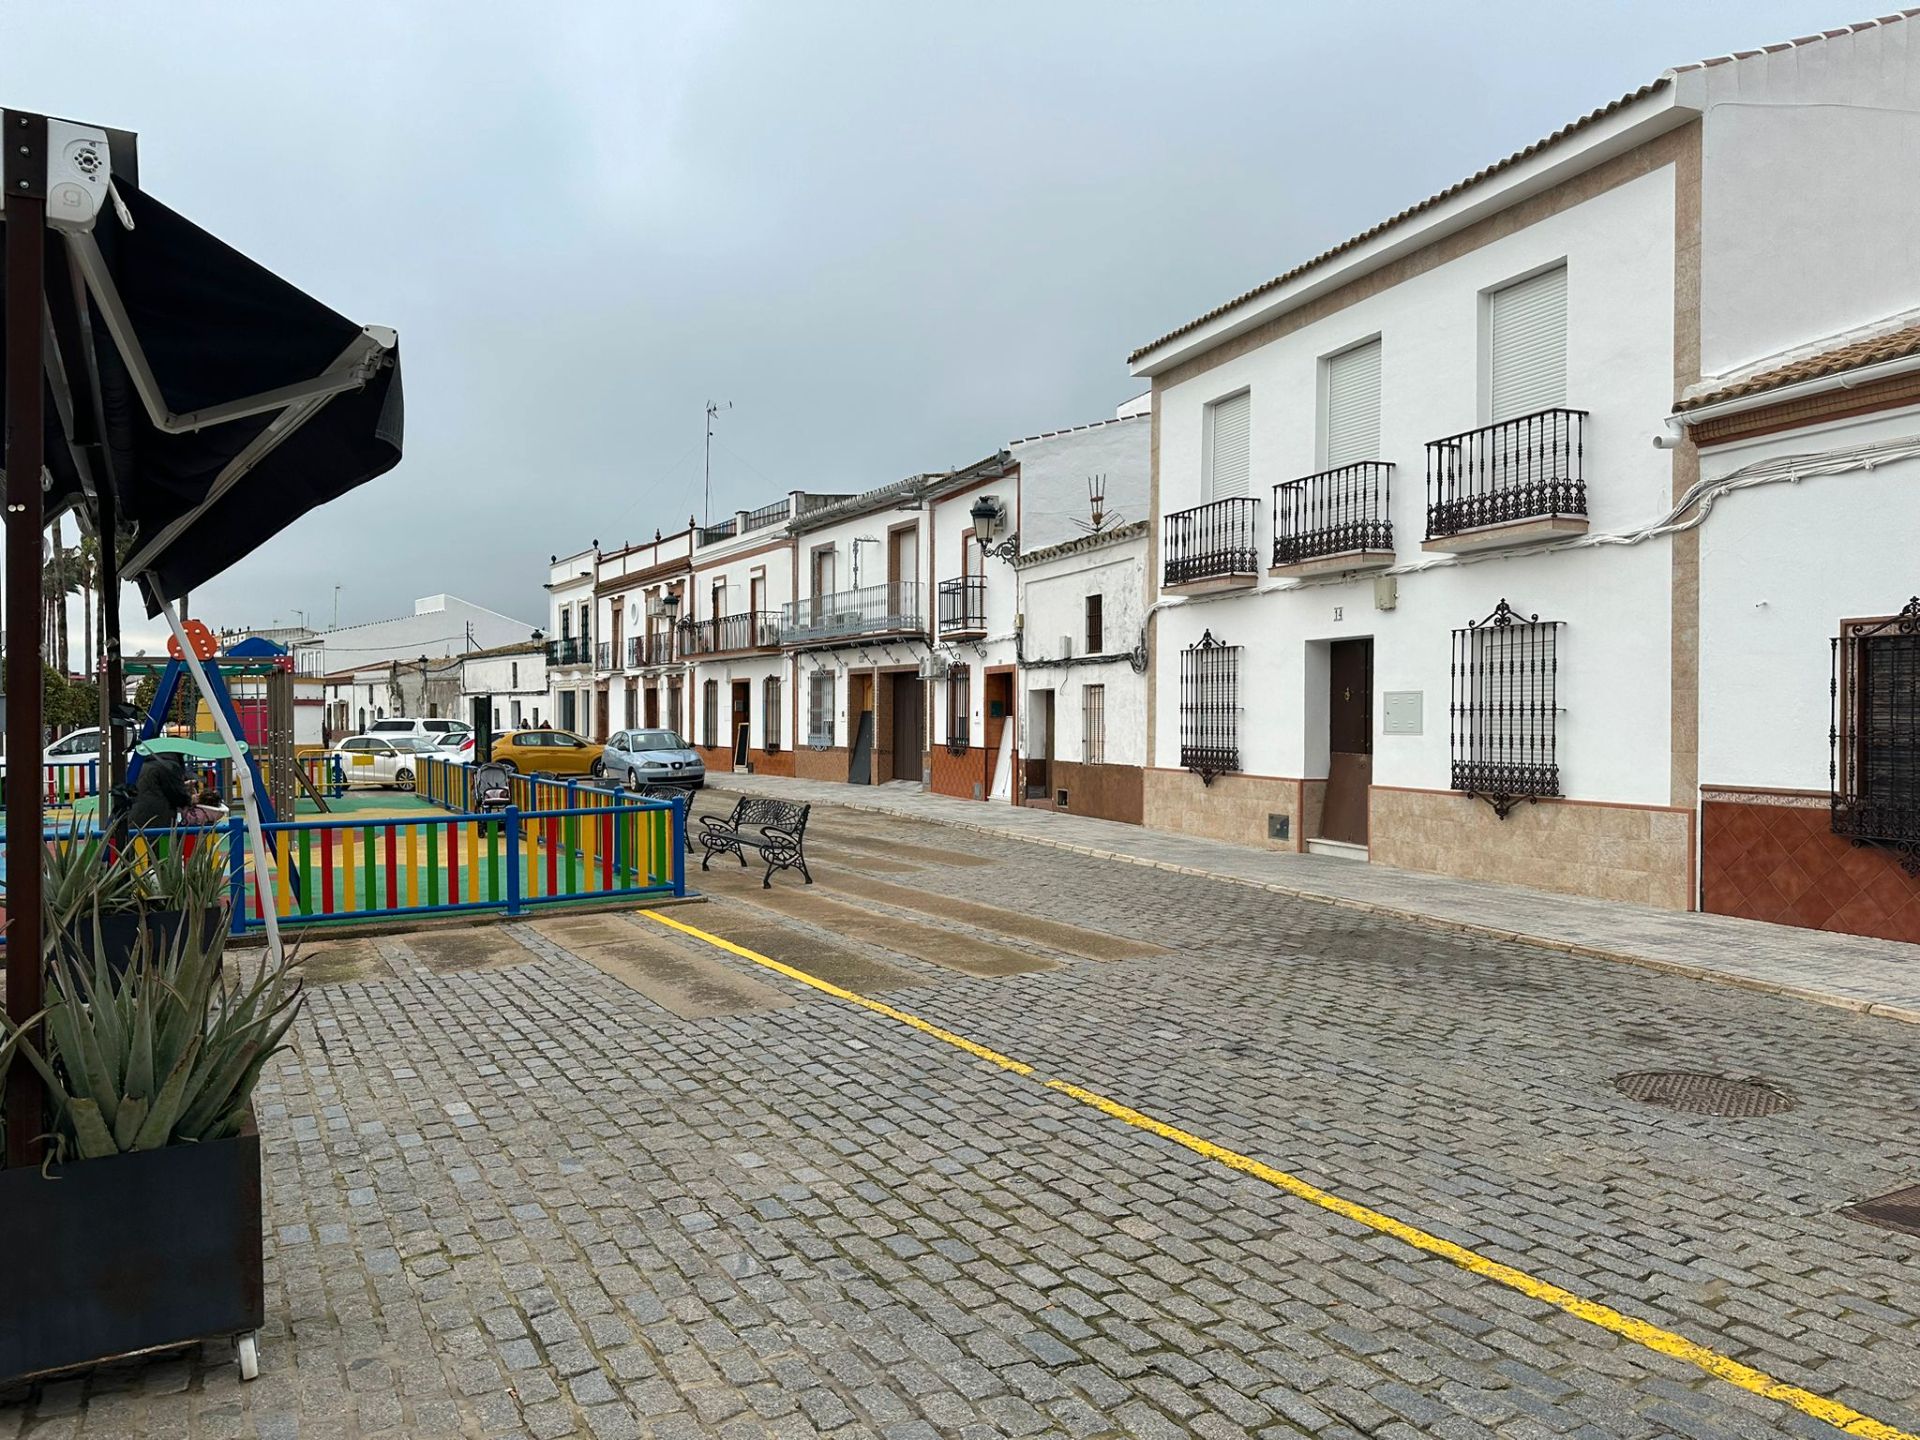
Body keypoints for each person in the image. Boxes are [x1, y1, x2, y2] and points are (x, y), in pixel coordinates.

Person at [124, 752, 195, 831]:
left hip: (135, 815)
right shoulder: (169, 766)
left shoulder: (144, 764)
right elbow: (177, 794)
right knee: (160, 842)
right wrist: (189, 799)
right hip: (156, 818)